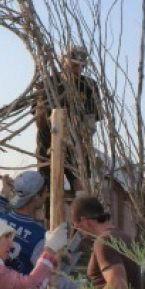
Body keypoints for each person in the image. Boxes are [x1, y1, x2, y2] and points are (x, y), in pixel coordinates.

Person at [34, 46, 100, 192]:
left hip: (77, 145)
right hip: (48, 146)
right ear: (63, 62)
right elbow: (40, 124)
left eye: (80, 66)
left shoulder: (89, 86)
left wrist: (84, 143)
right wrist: (41, 100)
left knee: (81, 188)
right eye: (74, 65)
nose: (77, 69)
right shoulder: (48, 84)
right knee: (49, 190)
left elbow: (91, 120)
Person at [71, 193, 142, 289]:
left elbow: (118, 288)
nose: (79, 233)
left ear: (85, 222)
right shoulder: (123, 236)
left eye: (77, 228)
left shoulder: (103, 242)